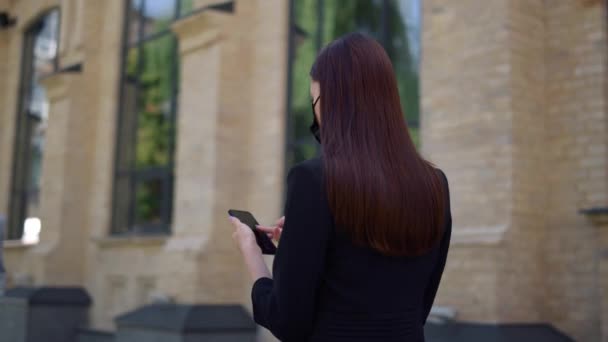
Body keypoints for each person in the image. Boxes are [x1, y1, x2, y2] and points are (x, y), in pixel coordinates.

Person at [230, 32, 451, 342]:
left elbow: (287, 321)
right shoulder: (435, 185)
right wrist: (300, 246)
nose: (316, 116)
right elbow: (416, 306)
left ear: (333, 103)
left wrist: (252, 253)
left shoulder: (313, 180)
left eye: (315, 102)